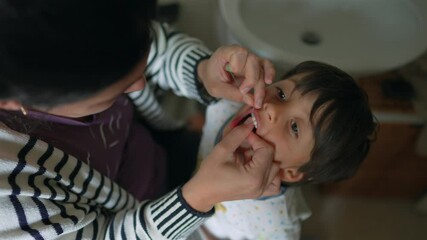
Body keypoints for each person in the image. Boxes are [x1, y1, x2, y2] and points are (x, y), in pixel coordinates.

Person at [0, 1, 280, 239]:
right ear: (13, 101)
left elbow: (152, 47)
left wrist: (202, 72)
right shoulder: (12, 200)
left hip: (161, 150)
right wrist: (196, 199)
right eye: (116, 88)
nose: (140, 85)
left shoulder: (92, 23)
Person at [196, 61, 377, 239]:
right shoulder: (227, 104)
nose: (272, 108)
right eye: (282, 93)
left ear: (289, 173)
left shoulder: (274, 221)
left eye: (295, 127)